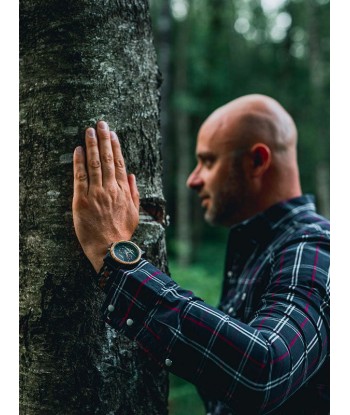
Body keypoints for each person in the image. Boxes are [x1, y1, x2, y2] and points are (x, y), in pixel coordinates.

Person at [72, 94, 330, 414]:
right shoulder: (262, 248)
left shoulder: (315, 247)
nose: (193, 180)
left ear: (257, 161)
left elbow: (266, 369)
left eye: (208, 161)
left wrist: (116, 256)